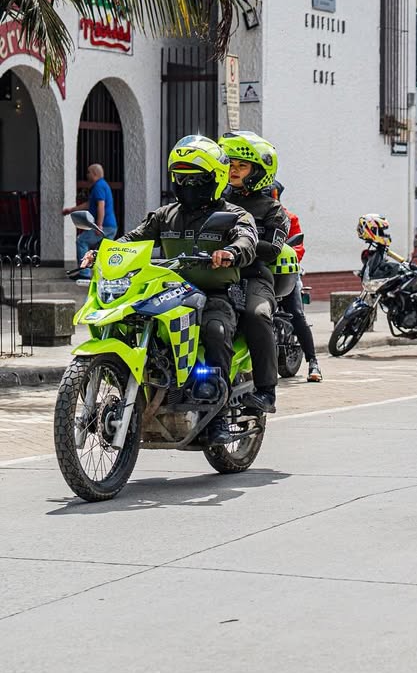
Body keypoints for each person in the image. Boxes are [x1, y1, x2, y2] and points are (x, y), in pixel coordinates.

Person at [81, 136, 258, 445]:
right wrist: (104, 253)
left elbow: (247, 239)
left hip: (215, 294)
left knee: (215, 330)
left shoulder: (234, 215)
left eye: (196, 179)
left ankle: (217, 417)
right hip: (170, 291)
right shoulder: (165, 215)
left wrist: (231, 251)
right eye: (182, 178)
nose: (188, 185)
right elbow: (132, 239)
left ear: (216, 178)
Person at [219, 131, 287, 414]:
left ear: (258, 171)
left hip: (252, 277)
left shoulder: (273, 209)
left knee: (257, 315)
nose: (233, 170)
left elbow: (272, 249)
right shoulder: (214, 199)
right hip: (212, 274)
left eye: (241, 166)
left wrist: (236, 243)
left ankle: (266, 391)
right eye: (230, 164)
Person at [272, 181, 321, 382]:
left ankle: (313, 362)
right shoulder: (247, 216)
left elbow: (298, 249)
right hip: (258, 273)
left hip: (285, 273)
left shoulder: (289, 218)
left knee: (296, 314)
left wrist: (284, 256)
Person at [64, 164, 117, 279]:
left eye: (88, 172)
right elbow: (89, 204)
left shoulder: (98, 186)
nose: (87, 175)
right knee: (105, 251)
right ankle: (107, 275)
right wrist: (71, 210)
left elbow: (101, 205)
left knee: (81, 241)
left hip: (105, 225)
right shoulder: (102, 185)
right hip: (111, 226)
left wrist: (99, 225)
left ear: (95, 174)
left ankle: (84, 273)